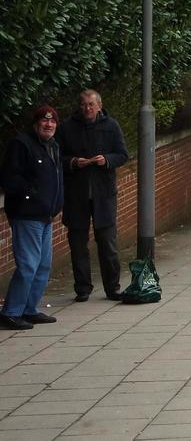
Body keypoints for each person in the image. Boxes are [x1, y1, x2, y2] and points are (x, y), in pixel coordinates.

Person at [57, 89, 129, 303]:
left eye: (91, 104)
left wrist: (106, 160)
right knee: (78, 244)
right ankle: (83, 288)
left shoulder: (111, 126)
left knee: (107, 243)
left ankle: (112, 287)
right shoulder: (67, 128)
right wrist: (72, 162)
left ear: (99, 105)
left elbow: (122, 154)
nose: (87, 108)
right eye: (83, 105)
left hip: (103, 194)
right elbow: (56, 156)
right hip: (76, 194)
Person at [1, 106, 65, 330]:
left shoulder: (54, 146)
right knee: (28, 265)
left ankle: (29, 308)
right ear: (35, 123)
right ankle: (11, 312)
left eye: (53, 122)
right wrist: (31, 194)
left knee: (43, 265)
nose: (49, 125)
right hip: (27, 214)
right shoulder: (22, 144)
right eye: (44, 121)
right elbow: (10, 177)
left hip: (46, 215)